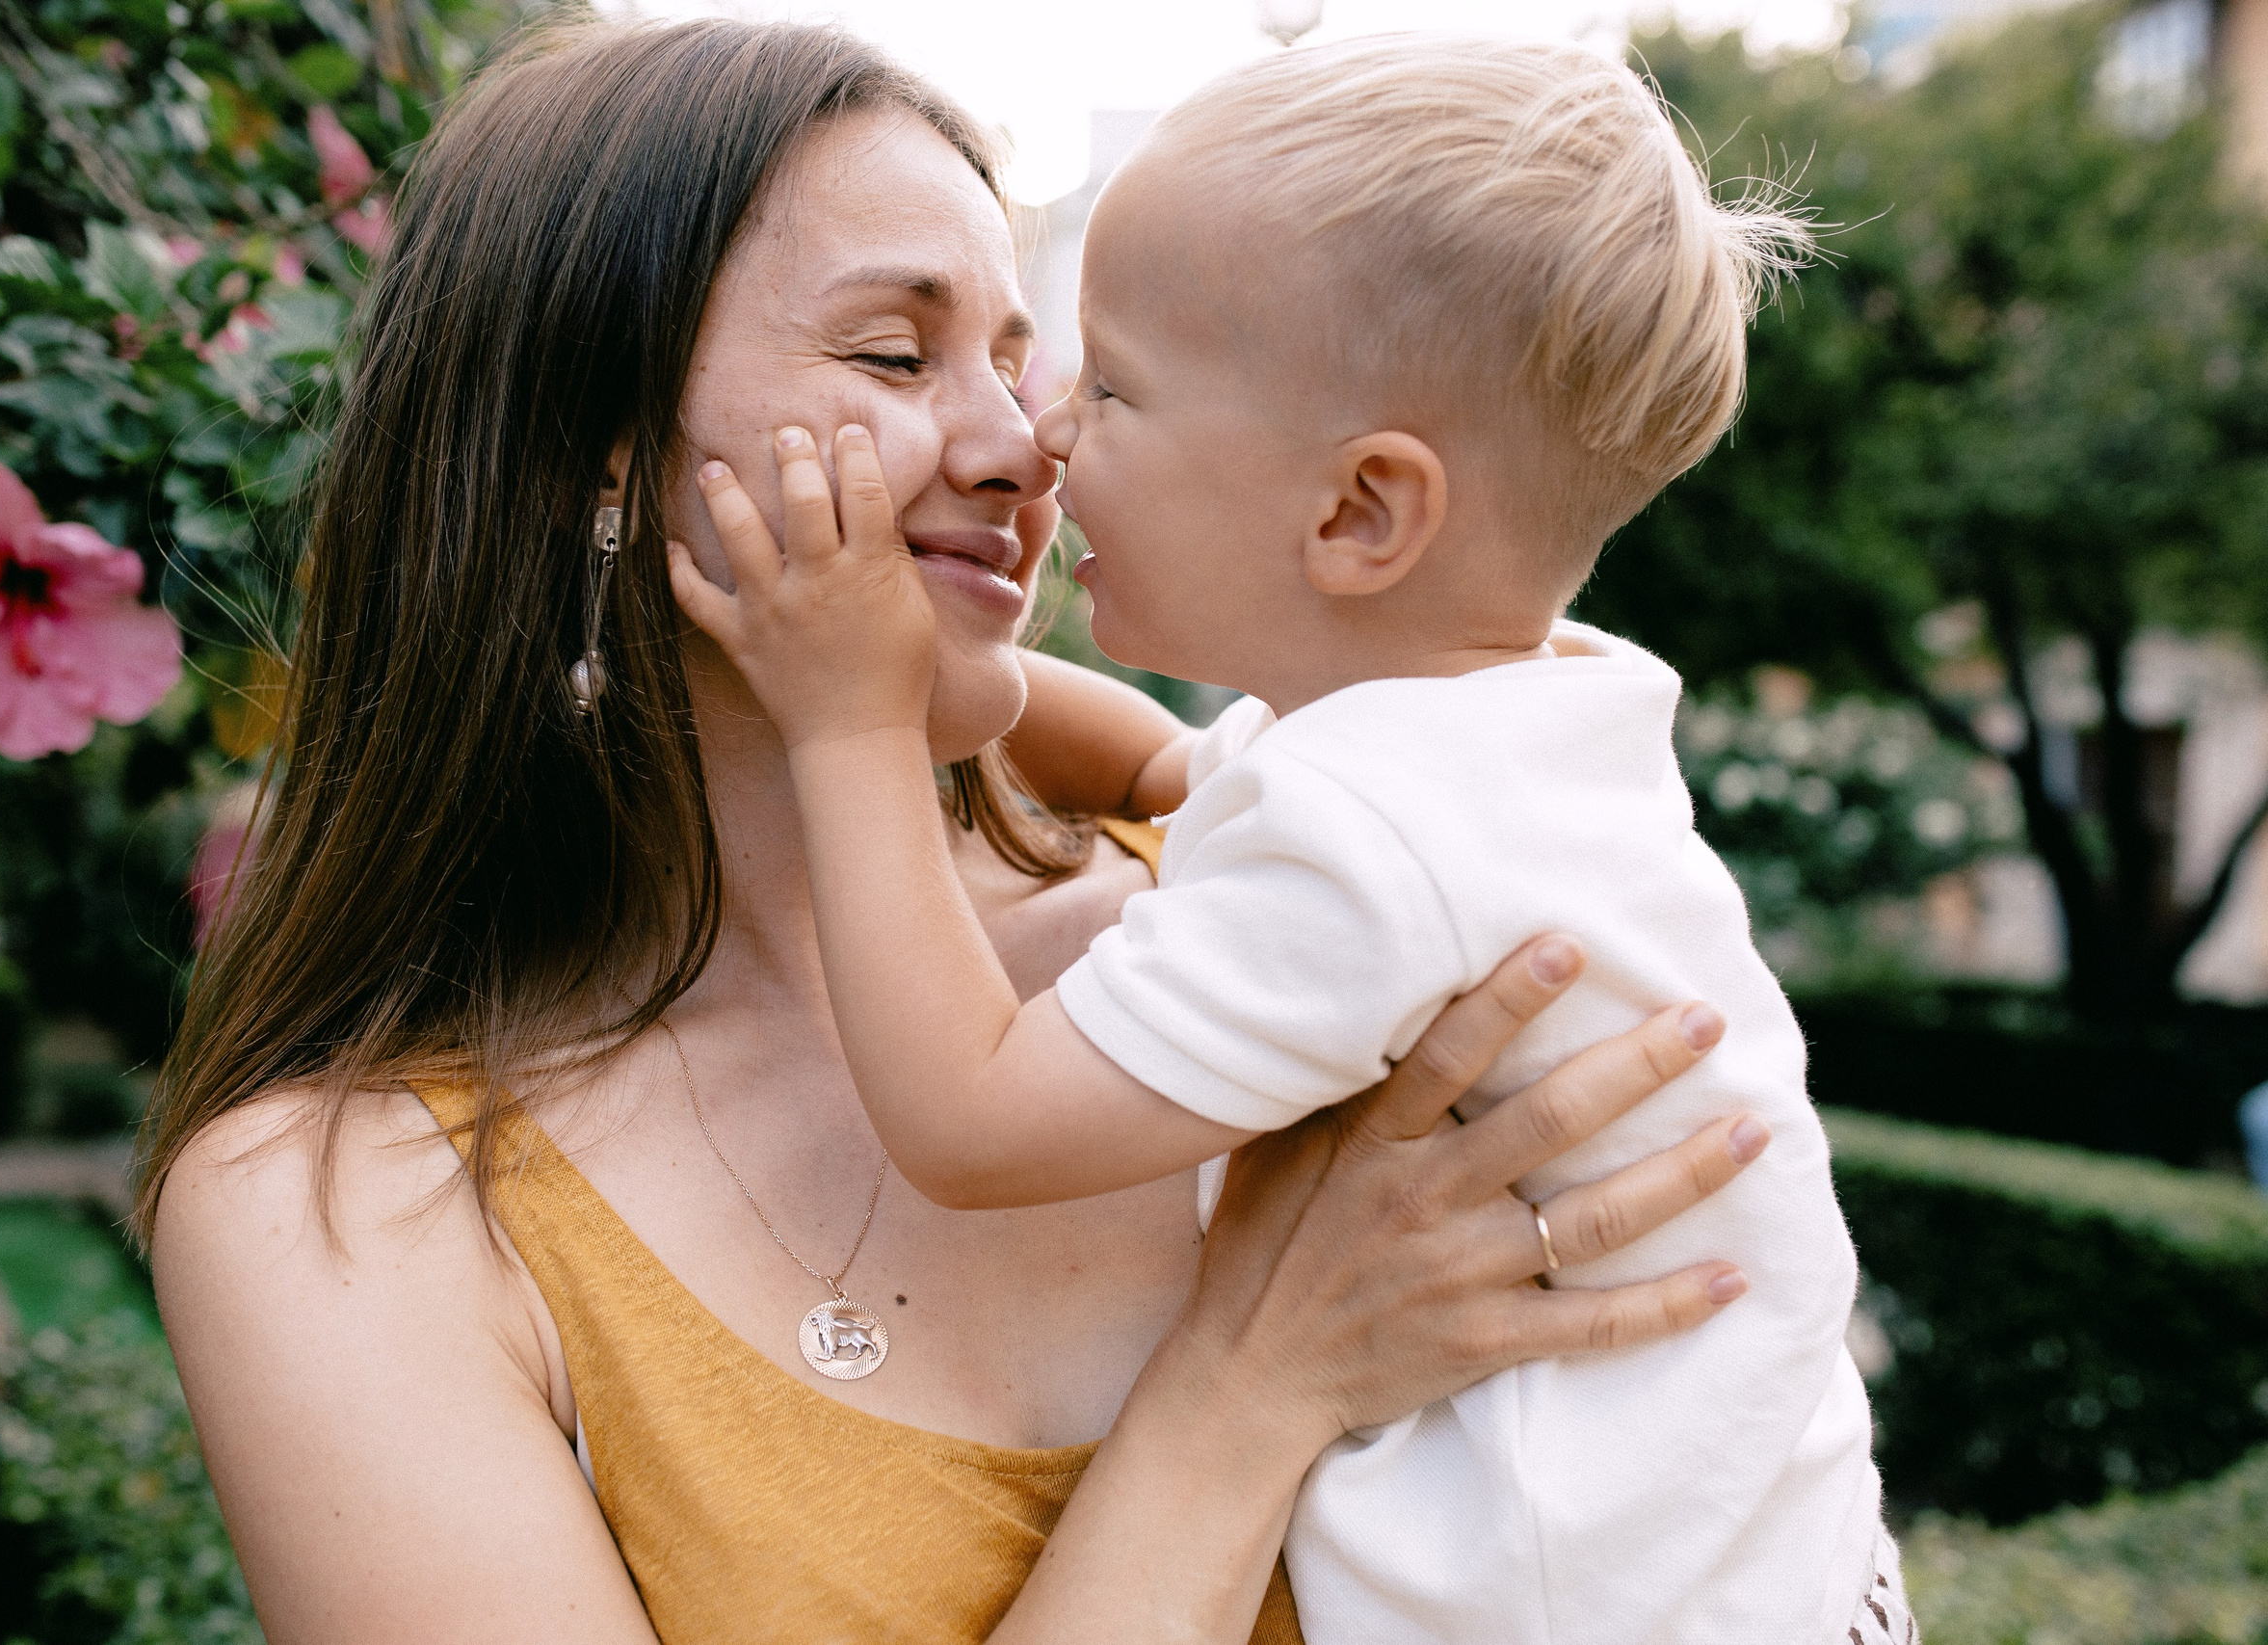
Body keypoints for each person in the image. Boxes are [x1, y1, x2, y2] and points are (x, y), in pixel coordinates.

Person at [138, 18, 1771, 1644]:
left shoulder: (1274, 923)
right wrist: (1250, 1386)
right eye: (894, 358)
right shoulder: (345, 1210)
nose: (1024, 446)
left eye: (1028, 359)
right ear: (596, 450)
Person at [667, 32, 1905, 1645]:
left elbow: (972, 1120)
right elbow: (1190, 774)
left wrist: (846, 720)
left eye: (1110, 386)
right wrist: (933, 659)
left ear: (1356, 514)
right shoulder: (1492, 739)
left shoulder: (1368, 832)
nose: (1043, 438)